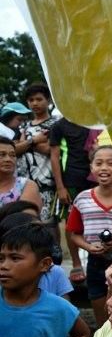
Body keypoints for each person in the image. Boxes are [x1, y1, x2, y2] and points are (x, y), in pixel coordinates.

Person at [66, 146, 112, 326]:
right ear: (91, 168)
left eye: (111, 163)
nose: (104, 168)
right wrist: (88, 247)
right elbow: (74, 235)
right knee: (100, 310)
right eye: (99, 163)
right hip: (95, 263)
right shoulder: (82, 199)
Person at [49, 117, 99, 282]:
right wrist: (60, 187)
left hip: (96, 178)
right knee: (71, 224)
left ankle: (99, 258)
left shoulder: (95, 122)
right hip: (70, 181)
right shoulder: (59, 126)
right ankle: (76, 263)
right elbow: (55, 157)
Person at [15, 83, 58, 225]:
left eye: (39, 99)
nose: (35, 103)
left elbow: (50, 150)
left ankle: (54, 248)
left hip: (47, 182)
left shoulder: (55, 124)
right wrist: (35, 140)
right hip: (24, 181)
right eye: (31, 100)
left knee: (48, 223)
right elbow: (15, 150)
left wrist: (27, 143)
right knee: (27, 220)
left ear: (49, 100)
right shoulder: (24, 126)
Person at [0, 136, 42, 209]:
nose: (8, 159)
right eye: (2, 155)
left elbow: (26, 217)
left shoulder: (25, 185)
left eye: (12, 155)